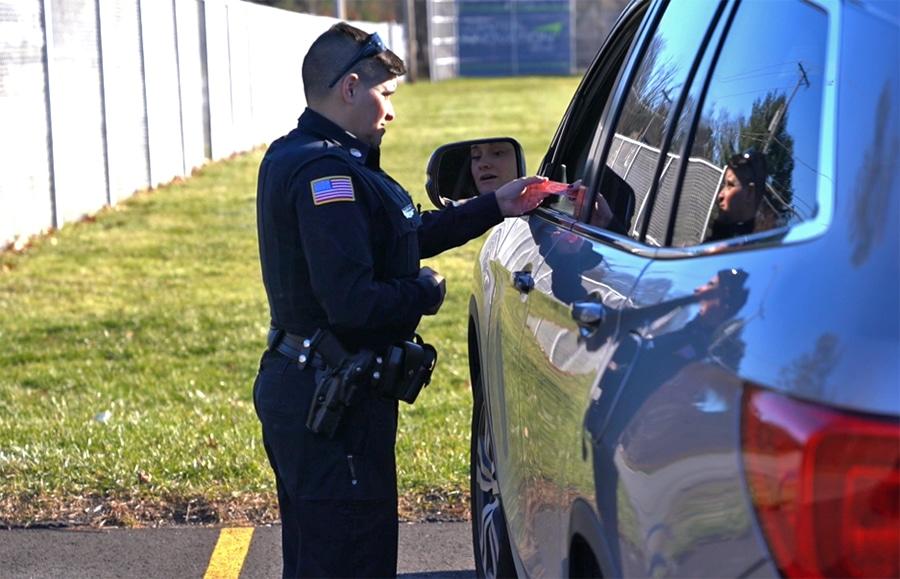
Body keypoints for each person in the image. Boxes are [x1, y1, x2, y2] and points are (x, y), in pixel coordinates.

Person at [253, 22, 551, 578]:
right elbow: (353, 302)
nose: (390, 112)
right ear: (349, 88)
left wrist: (496, 204)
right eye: (383, 95)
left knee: (319, 557)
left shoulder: (304, 154)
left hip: (314, 391)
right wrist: (424, 291)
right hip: (330, 405)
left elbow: (399, 236)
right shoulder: (327, 173)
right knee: (349, 562)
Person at [707, 150, 768, 241]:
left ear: (749, 193)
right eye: (724, 185)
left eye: (730, 185)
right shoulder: (762, 245)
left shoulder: (738, 248)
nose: (720, 195)